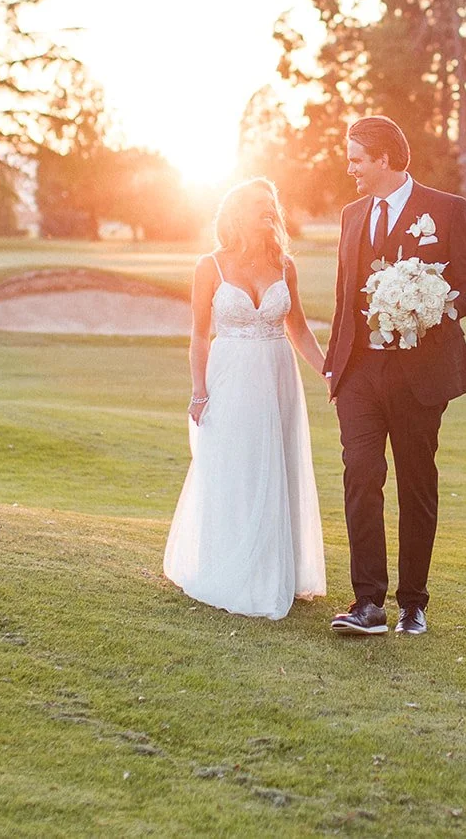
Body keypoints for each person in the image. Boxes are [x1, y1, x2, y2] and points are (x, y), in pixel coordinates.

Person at [323, 116, 466, 636]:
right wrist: (336, 364)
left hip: (420, 375)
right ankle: (367, 602)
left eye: (355, 159)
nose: (348, 168)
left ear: (384, 159)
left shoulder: (446, 210)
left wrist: (431, 308)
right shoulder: (352, 216)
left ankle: (413, 603)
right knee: (361, 476)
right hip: (359, 374)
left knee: (416, 485)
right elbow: (344, 296)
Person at [163, 178, 328, 619]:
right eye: (258, 205)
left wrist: (331, 373)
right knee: (234, 466)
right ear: (236, 212)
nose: (268, 211)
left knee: (276, 464)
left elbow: (299, 329)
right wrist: (199, 390)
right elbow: (199, 335)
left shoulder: (285, 264)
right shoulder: (209, 267)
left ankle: (275, 570)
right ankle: (232, 565)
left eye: (271, 204)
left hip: (278, 377)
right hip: (231, 375)